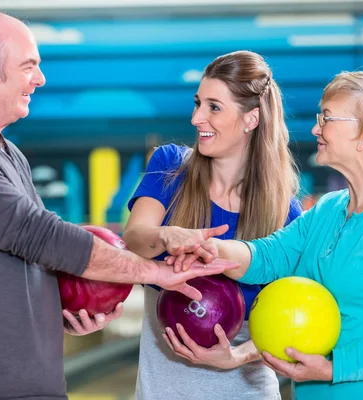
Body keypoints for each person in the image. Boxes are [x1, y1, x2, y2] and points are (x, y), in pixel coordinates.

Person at [0, 12, 237, 400]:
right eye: (29, 67)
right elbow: (39, 235)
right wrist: (154, 273)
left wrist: (70, 309)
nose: (39, 79)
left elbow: (25, 263)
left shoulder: (9, 154)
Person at [167, 70, 363, 399]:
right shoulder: (329, 208)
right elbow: (270, 256)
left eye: (327, 118)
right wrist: (212, 250)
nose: (316, 128)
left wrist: (333, 369)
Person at [122, 50, 302, 400]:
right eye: (197, 103)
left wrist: (238, 356)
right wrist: (166, 236)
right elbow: (134, 238)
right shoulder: (171, 166)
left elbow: (293, 319)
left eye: (213, 107)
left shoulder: (286, 214)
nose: (196, 118)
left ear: (251, 119)